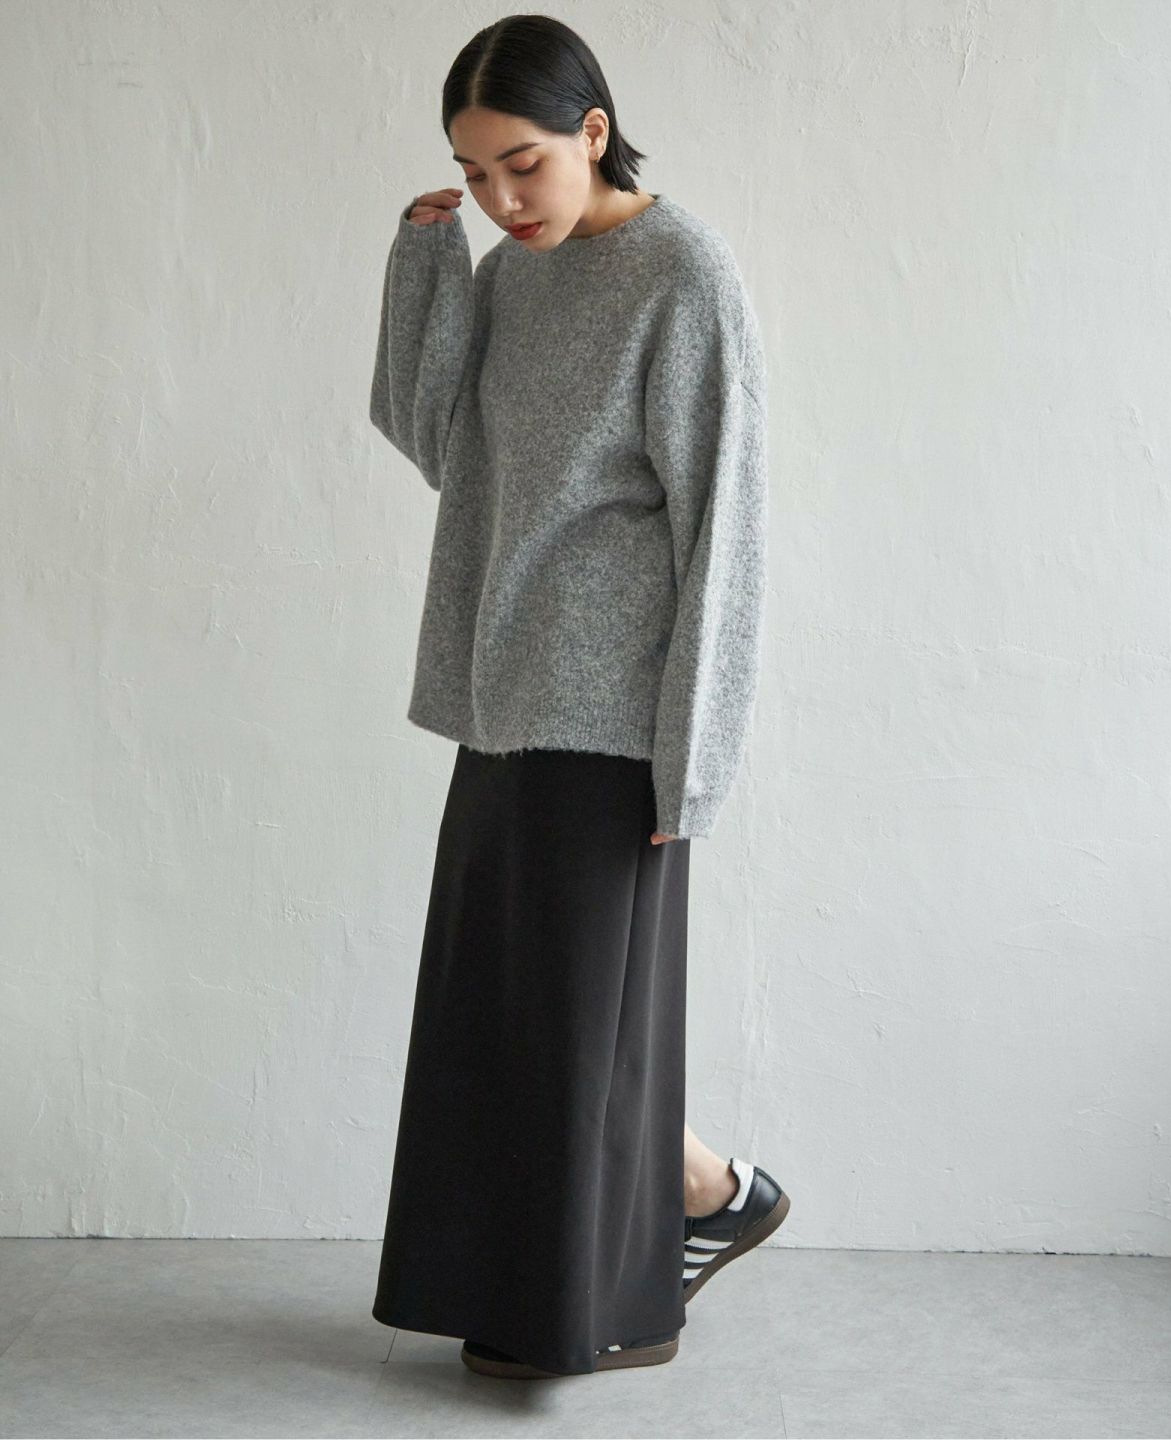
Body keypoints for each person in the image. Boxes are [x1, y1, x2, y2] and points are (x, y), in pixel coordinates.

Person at [368, 14, 789, 1380]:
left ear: (593, 131)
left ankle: (588, 1304)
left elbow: (726, 527)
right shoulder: (510, 270)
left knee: (572, 1029)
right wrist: (428, 266)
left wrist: (693, 757)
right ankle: (714, 1192)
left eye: (523, 165)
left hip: (614, 723)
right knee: (517, 1018)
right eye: (474, 172)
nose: (502, 198)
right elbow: (438, 439)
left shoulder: (683, 274)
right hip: (501, 700)